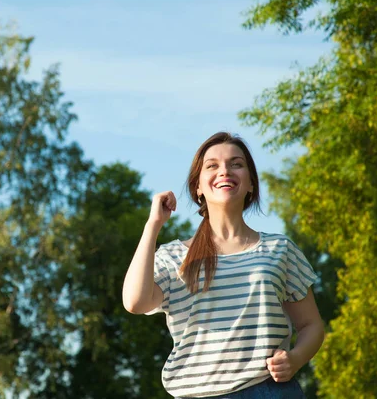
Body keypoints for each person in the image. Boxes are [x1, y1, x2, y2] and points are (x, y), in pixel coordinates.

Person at [122, 132, 324, 398]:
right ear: (198, 187)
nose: (225, 171)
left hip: (268, 391)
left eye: (236, 164)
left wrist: (295, 359)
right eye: (212, 165)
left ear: (251, 183)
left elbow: (312, 326)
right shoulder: (173, 256)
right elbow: (134, 302)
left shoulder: (280, 249)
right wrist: (153, 225)